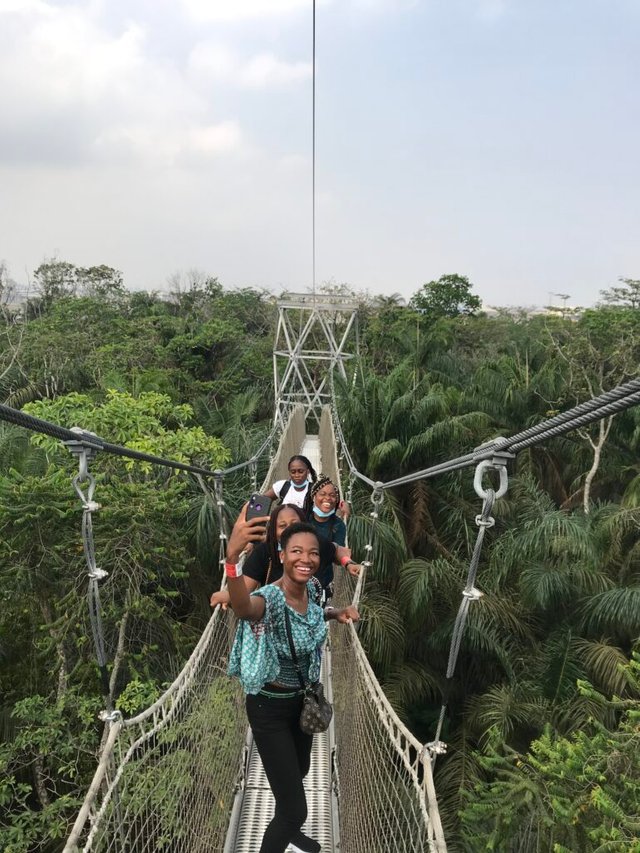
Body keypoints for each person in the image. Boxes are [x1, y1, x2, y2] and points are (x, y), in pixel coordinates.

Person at [224, 509, 359, 853]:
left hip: (303, 702)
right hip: (268, 709)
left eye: (313, 552)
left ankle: (291, 830)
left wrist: (336, 612)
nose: (306, 559)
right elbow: (243, 608)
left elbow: (315, 613)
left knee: (298, 772)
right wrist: (231, 560)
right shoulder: (269, 598)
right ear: (281, 556)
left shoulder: (312, 589)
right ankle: (289, 827)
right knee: (296, 807)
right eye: (296, 551)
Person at [210, 503, 360, 611]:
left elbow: (336, 550)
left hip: (310, 634)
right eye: (282, 526)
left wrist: (348, 563)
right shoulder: (265, 552)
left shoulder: (316, 544)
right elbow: (244, 596)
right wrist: (232, 559)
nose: (289, 529)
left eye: (294, 523)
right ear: (274, 532)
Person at [304, 476, 348, 591]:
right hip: (299, 576)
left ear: (337, 501)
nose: (327, 498)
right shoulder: (302, 518)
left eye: (332, 495)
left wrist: (348, 563)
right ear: (314, 497)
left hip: (322, 583)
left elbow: (338, 554)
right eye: (322, 494)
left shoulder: (338, 525)